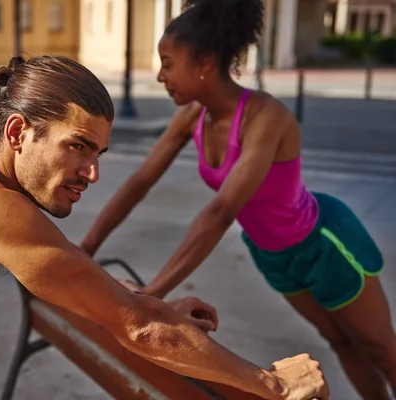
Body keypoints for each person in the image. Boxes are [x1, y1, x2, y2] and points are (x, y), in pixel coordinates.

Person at [0, 55, 328, 400]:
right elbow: (139, 330)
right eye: (77, 146)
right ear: (18, 131)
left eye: (97, 152)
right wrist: (276, 384)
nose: (92, 173)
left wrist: (151, 302)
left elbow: (61, 271)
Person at [79, 0, 395, 399]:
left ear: (205, 62)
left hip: (325, 246)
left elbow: (221, 212)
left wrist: (153, 295)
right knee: (343, 344)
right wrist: (85, 249)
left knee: (382, 351)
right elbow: (140, 182)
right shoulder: (194, 115)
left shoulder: (266, 116)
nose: (160, 75)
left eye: (168, 63)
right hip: (274, 256)